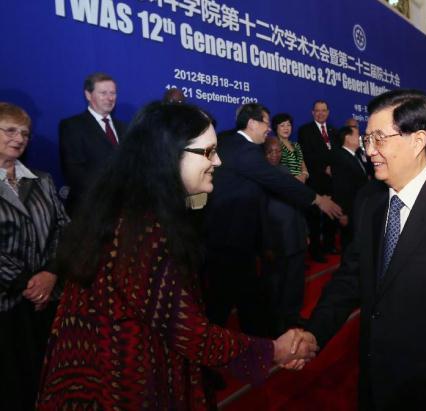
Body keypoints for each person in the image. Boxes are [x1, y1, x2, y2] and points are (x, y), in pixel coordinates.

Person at [36, 102, 318, 410]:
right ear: (169, 155)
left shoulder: (132, 206)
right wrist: (274, 350)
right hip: (124, 382)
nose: (219, 161)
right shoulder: (142, 227)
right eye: (209, 152)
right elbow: (188, 331)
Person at [289, 89, 426, 411]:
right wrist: (315, 333)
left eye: (380, 139)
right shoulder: (369, 200)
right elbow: (351, 277)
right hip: (375, 382)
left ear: (418, 140)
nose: (370, 151)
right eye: (367, 140)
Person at [204, 103, 341, 337]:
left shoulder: (231, 143)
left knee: (247, 297)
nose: (269, 129)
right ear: (252, 123)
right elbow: (278, 180)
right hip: (229, 238)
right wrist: (317, 199)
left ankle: (261, 341)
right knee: (222, 302)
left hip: (239, 238)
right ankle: (206, 354)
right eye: (267, 123)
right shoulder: (244, 150)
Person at [0, 102, 69, 410]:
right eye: (10, 130)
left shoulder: (42, 180)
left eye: (25, 133)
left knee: (49, 376)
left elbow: (63, 229)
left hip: (47, 299)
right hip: (7, 304)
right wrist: (27, 283)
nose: (19, 138)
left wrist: (51, 274)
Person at [59, 72, 126, 215]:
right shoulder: (72, 126)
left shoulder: (125, 128)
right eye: (103, 93)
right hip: (88, 211)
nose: (109, 98)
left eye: (113, 93)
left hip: (122, 210)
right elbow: (74, 172)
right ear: (88, 95)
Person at [262, 137, 308, 335]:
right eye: (270, 152)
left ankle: (292, 317)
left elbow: (297, 202)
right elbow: (260, 214)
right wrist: (266, 245)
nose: (275, 154)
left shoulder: (284, 170)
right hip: (277, 241)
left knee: (296, 282)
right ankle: (276, 324)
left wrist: (306, 231)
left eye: (277, 151)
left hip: (296, 235)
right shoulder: (259, 176)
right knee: (276, 285)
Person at [298, 100, 338, 261]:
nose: (320, 113)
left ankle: (329, 245)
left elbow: (337, 153)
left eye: (323, 110)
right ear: (312, 113)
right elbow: (307, 155)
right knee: (314, 218)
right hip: (315, 180)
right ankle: (316, 251)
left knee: (331, 214)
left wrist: (334, 167)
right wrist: (324, 167)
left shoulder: (334, 131)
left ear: (328, 112)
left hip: (332, 181)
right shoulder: (305, 130)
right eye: (317, 110)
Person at [331, 126, 368, 252]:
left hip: (358, 208)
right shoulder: (341, 157)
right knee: (349, 244)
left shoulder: (354, 156)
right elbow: (340, 188)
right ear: (347, 138)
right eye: (357, 135)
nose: (360, 138)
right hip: (349, 209)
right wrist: (343, 214)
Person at [272, 113, 309, 183]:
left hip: (301, 185)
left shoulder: (296, 145)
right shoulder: (274, 145)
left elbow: (303, 166)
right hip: (285, 185)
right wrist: (293, 178)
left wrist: (304, 175)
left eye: (288, 125)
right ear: (276, 128)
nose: (286, 128)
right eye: (282, 125)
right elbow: (274, 169)